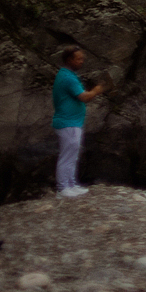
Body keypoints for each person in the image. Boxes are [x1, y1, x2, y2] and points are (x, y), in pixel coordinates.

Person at [52, 46, 106, 196]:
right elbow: (84, 97)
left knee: (72, 155)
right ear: (69, 60)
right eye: (79, 59)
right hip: (67, 122)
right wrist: (96, 90)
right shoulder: (68, 78)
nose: (82, 61)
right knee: (67, 156)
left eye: (82, 58)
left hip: (72, 122)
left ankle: (71, 184)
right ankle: (63, 188)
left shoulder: (68, 75)